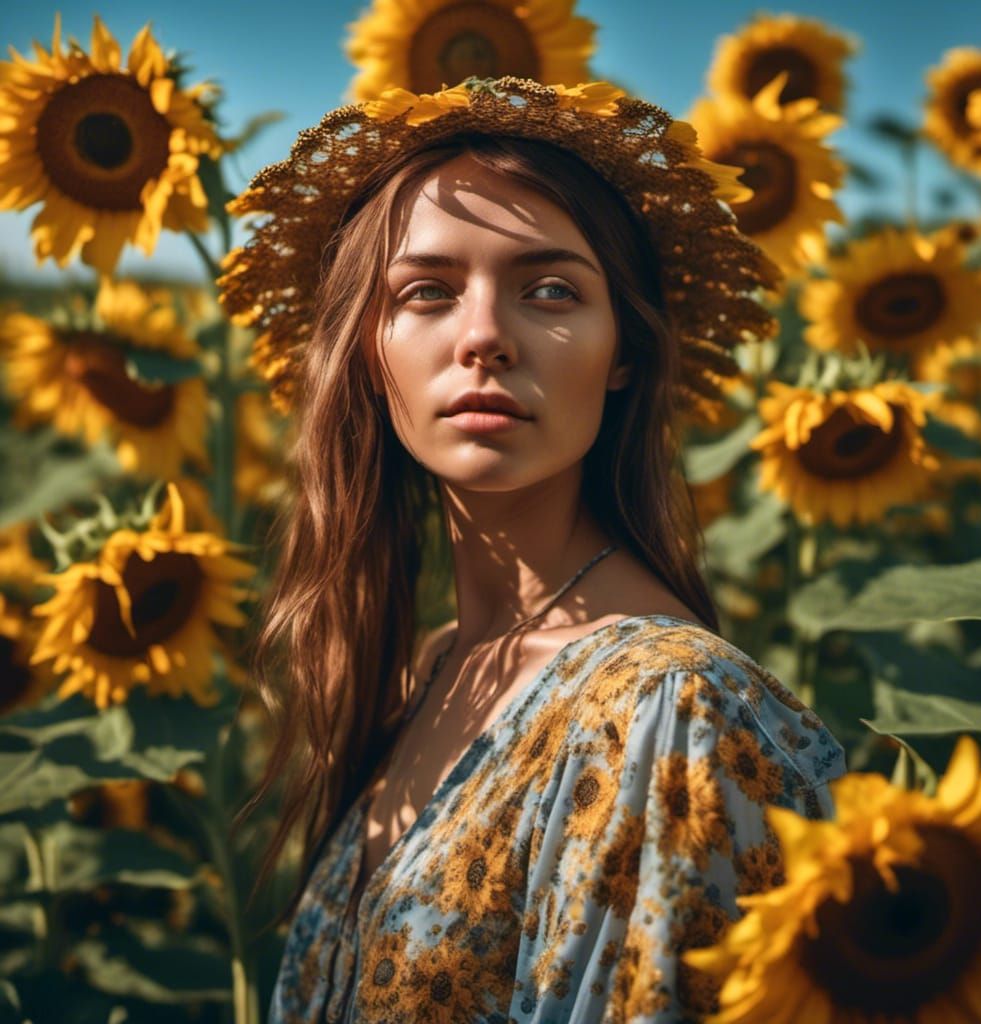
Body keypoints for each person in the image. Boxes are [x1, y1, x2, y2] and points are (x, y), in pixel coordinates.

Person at [221, 77, 847, 1023]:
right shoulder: (433, 666)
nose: (485, 338)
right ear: (366, 349)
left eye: (550, 290)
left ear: (623, 351)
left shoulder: (670, 710)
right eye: (426, 292)